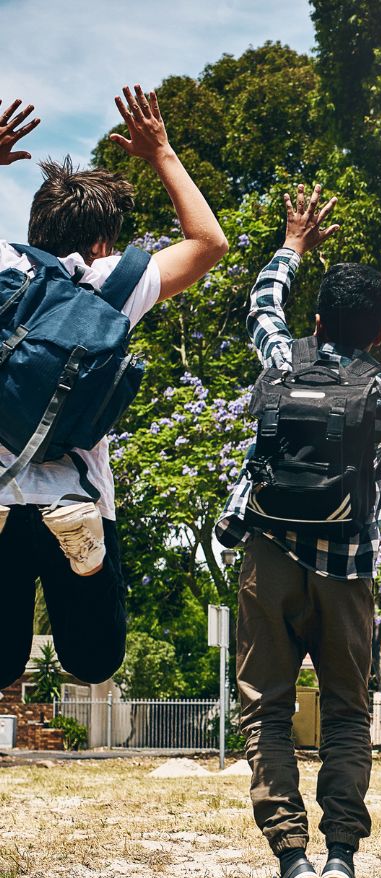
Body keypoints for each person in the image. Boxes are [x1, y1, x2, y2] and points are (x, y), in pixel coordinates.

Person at [216, 183, 381, 878]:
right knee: (349, 714)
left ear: (317, 323)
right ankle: (342, 857)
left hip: (269, 561)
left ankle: (290, 862)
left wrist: (291, 244)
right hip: (346, 571)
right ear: (376, 328)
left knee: (267, 713)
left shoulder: (281, 364)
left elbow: (261, 306)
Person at [0, 87, 227, 691]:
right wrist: (163, 156)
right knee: (93, 658)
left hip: (2, 494)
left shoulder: (5, 269)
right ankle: (80, 537)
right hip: (78, 495)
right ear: (101, 242)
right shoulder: (109, 281)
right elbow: (210, 244)